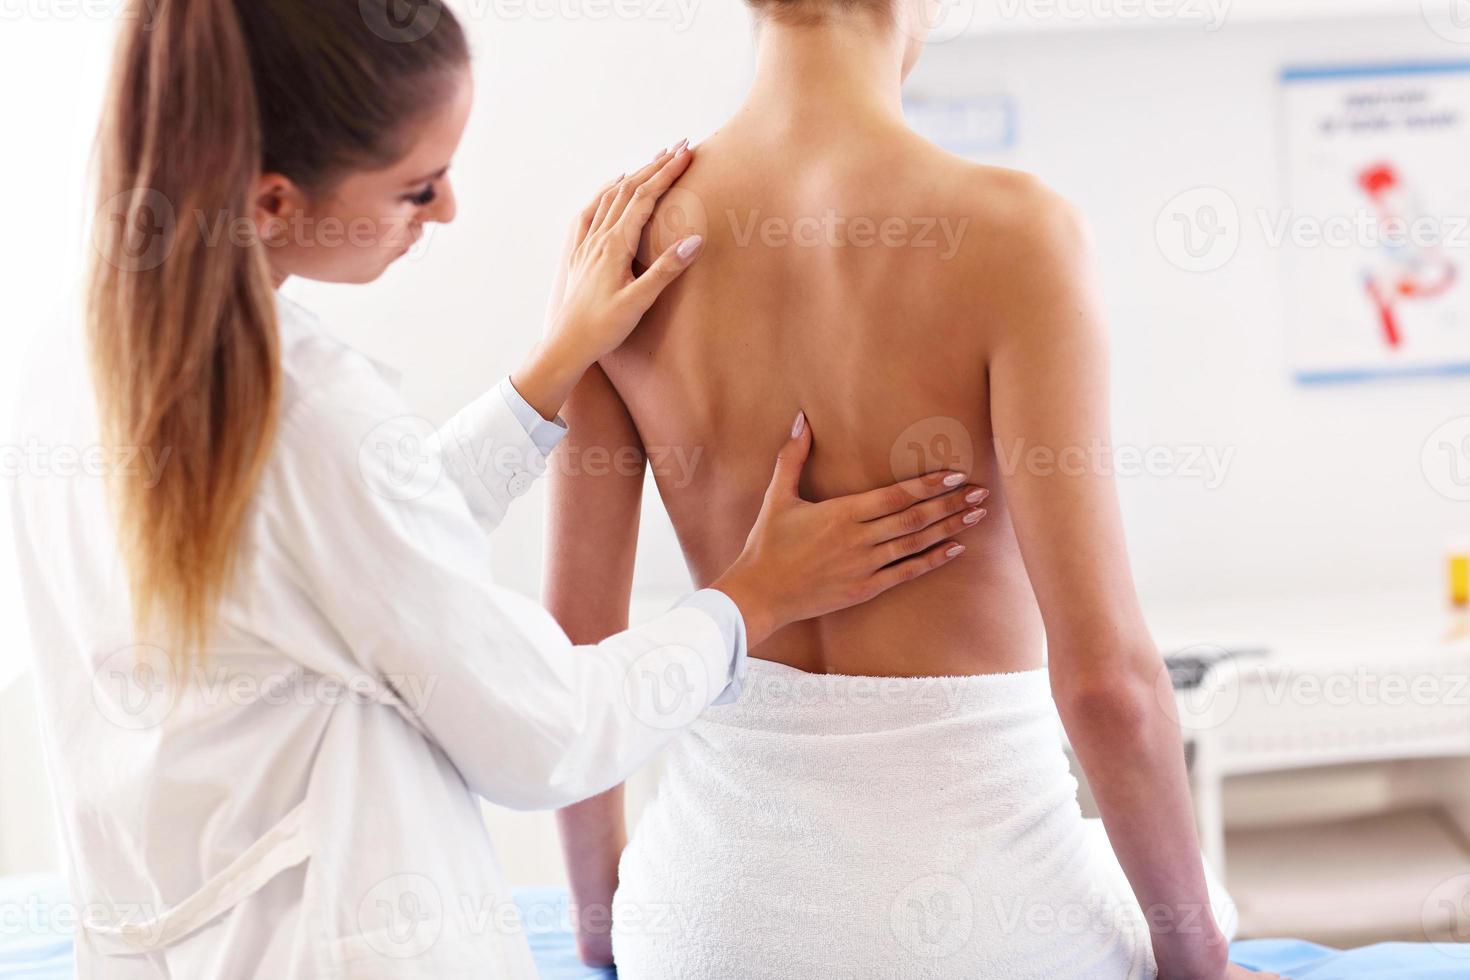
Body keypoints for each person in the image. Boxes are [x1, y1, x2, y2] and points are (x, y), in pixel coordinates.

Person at [8, 1, 992, 976]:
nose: (447, 213)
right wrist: (754, 597)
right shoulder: (305, 411)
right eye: (418, 187)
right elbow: (544, 732)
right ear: (271, 202)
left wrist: (548, 373)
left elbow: (345, 550)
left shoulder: (71, 355)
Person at [547, 1, 1281, 977]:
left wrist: (603, 922)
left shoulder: (618, 233)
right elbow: (1109, 684)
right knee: (1203, 905)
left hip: (702, 923)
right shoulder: (1017, 232)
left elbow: (575, 641)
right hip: (989, 929)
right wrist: (1205, 965)